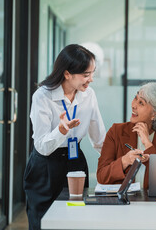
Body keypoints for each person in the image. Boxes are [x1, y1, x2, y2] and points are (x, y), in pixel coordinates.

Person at [23, 44, 106, 230]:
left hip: (75, 161)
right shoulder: (42, 97)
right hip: (45, 165)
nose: (91, 80)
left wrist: (117, 164)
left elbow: (99, 138)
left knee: (75, 220)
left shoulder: (89, 95)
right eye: (86, 75)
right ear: (67, 74)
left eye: (92, 73)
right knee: (41, 221)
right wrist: (61, 130)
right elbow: (42, 146)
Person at [97, 82, 156, 189]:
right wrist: (124, 161)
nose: (133, 105)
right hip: (122, 203)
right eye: (135, 98)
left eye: (141, 103)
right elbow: (101, 176)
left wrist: (148, 144)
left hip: (155, 204)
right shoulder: (116, 131)